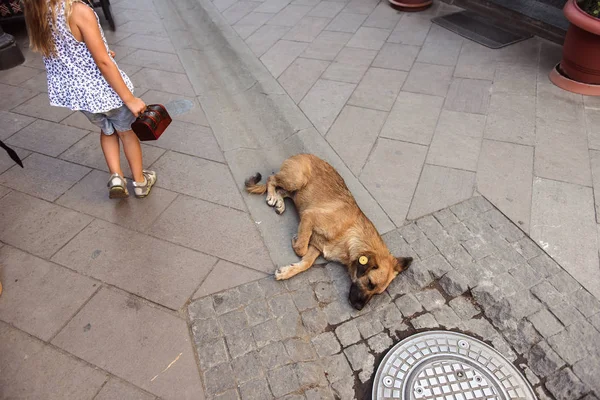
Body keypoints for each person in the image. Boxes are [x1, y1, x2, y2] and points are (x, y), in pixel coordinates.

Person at [23, 0, 156, 198]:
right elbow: (102, 62)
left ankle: (116, 177)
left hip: (79, 96)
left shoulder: (39, 11)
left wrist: (101, 52)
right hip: (104, 91)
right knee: (127, 133)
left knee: (107, 130)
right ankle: (140, 182)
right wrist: (129, 99)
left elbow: (69, 50)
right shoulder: (78, 10)